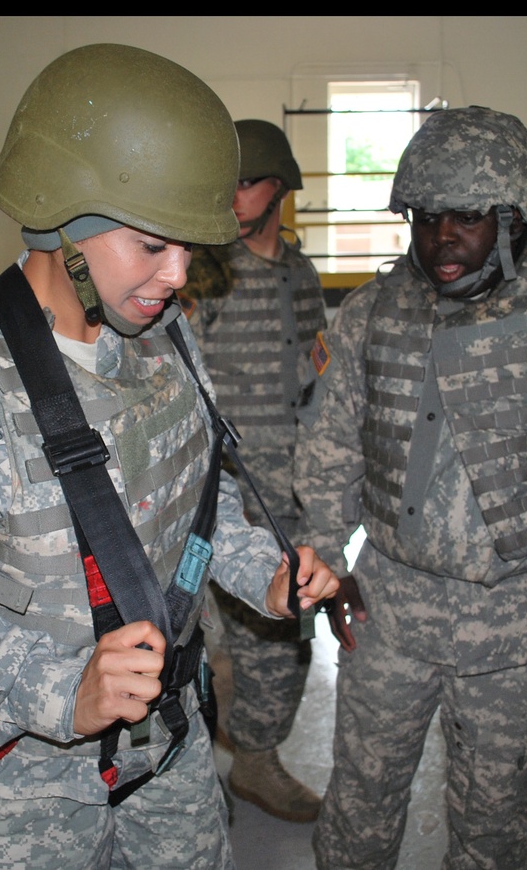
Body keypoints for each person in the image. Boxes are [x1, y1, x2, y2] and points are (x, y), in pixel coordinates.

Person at [0, 43, 337, 870]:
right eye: (151, 245)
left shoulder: (165, 334)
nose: (178, 276)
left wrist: (266, 575)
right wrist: (61, 691)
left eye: (189, 250)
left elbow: (197, 508)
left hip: (169, 753)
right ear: (63, 219)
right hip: (21, 786)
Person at [295, 105, 527, 869]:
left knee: (495, 828)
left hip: (519, 624)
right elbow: (331, 444)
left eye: (469, 217)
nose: (442, 237)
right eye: (426, 215)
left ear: (515, 216)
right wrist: (325, 561)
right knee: (358, 807)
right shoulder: (373, 312)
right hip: (391, 613)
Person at [178, 118, 328, 822]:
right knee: (186, 643)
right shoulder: (198, 277)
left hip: (283, 497)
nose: (233, 197)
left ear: (281, 189)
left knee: (283, 649)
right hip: (212, 496)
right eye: (226, 183)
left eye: (247, 182)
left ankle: (256, 763)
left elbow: (315, 380)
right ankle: (192, 777)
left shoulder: (300, 273)